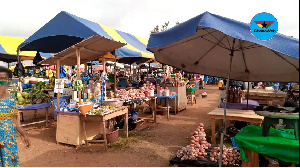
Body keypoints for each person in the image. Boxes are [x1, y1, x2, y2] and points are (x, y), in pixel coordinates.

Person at [0, 66, 30, 167]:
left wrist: (24, 134)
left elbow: (15, 120)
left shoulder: (11, 98)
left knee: (10, 162)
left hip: (9, 138)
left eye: (5, 79)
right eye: (0, 78)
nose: (2, 81)